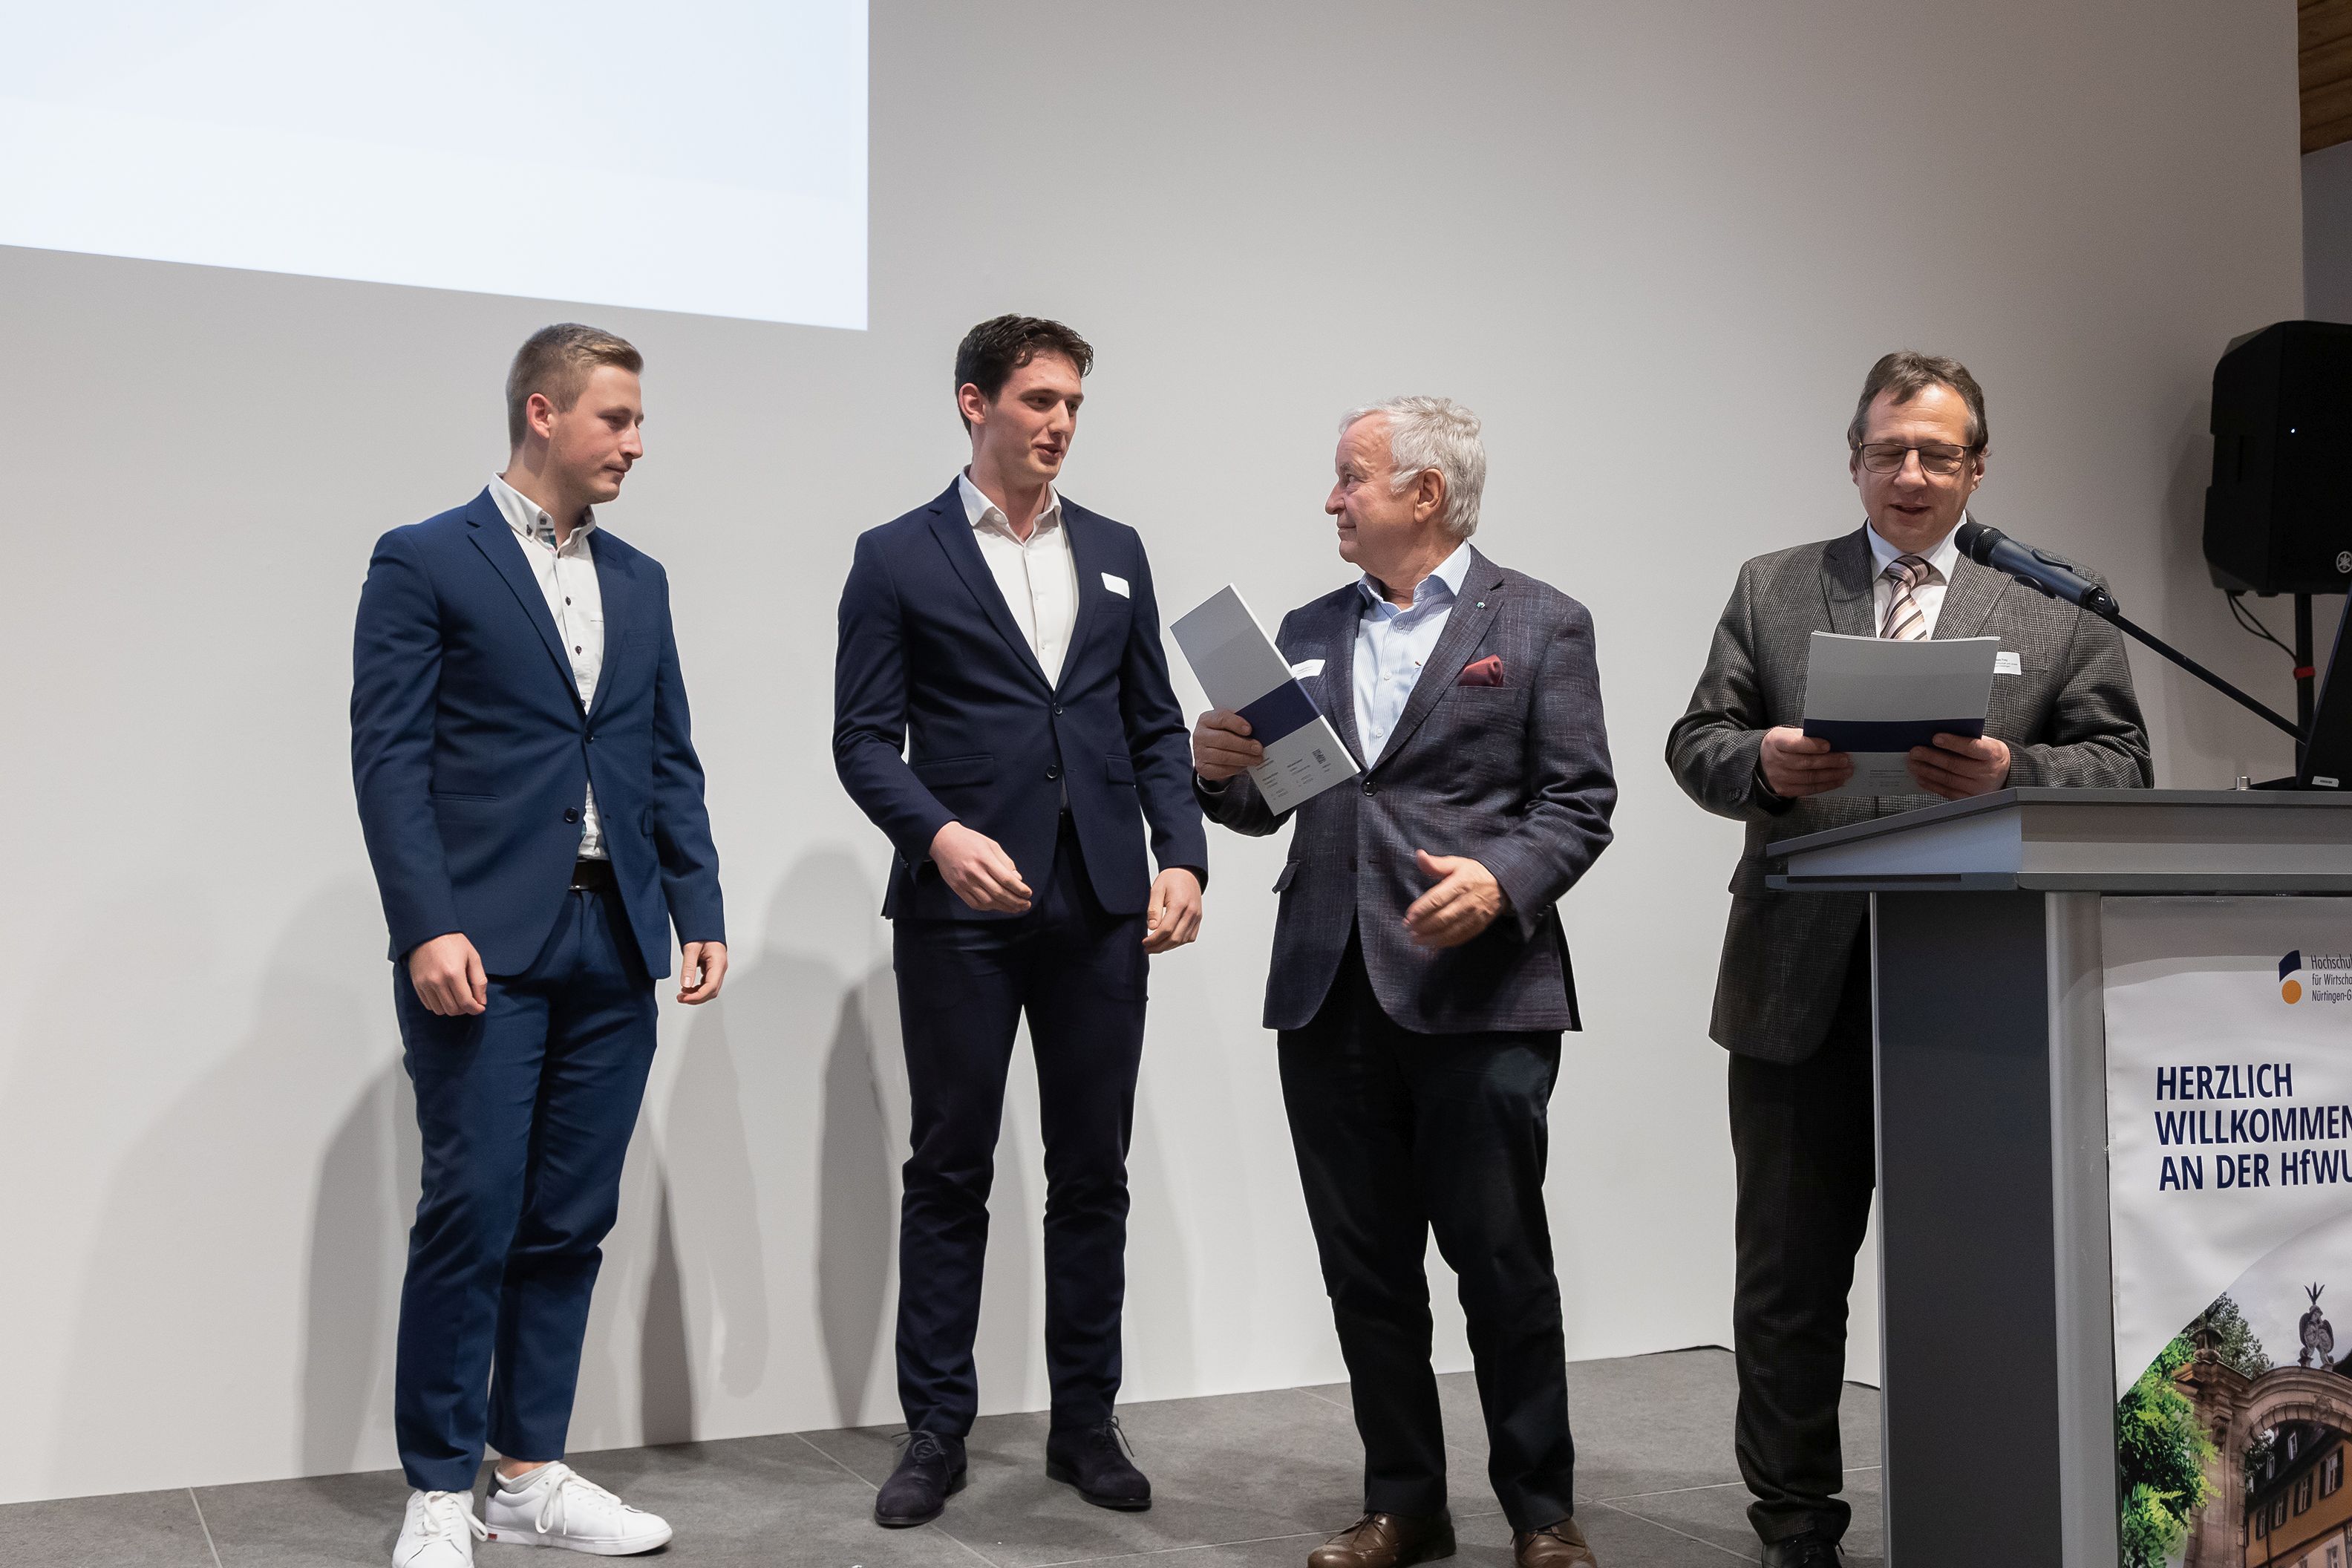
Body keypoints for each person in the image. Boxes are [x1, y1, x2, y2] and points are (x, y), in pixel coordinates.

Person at [1664, 351, 2151, 1567]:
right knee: (1788, 1283)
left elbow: (2124, 766)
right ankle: (1795, 1526)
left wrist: (2014, 772)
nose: (1912, 474)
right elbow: (1697, 740)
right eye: (1889, 451)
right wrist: (1764, 763)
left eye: (1938, 453)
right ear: (1855, 461)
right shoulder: (1776, 586)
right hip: (1800, 986)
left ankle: (1985, 1513)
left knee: (1985, 1277)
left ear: (1978, 467)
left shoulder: (2058, 600)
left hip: (1988, 989)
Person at [1192, 397, 1616, 1568]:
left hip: (1481, 994)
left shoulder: (1541, 622)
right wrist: (1218, 770)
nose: (1331, 499)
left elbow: (1580, 801)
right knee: (1366, 1270)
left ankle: (1543, 1513)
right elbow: (1267, 801)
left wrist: (1501, 882)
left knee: (1503, 1263)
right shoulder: (1304, 629)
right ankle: (1405, 1504)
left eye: (1351, 477)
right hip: (1327, 987)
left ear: (1423, 493)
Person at [351, 324, 728, 1567]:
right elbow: (390, 759)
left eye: (639, 420)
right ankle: (436, 1488)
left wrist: (698, 908)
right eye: (616, 418)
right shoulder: (424, 559)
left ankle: (525, 1474)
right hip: (483, 939)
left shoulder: (642, 580)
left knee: (570, 1217)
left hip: (614, 931)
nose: (636, 442)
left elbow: (665, 756)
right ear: (542, 413)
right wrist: (425, 923)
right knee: (472, 1211)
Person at [833, 315, 1209, 1527]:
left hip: (1100, 902)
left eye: (1074, 404)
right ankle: (936, 1431)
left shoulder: (1117, 550)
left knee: (1093, 1170)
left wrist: (1184, 854)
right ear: (974, 402)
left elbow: (1154, 723)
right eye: (1040, 399)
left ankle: (1085, 1423)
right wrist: (938, 837)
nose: (1060, 423)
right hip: (960, 908)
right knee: (951, 1167)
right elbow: (861, 740)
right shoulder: (896, 556)